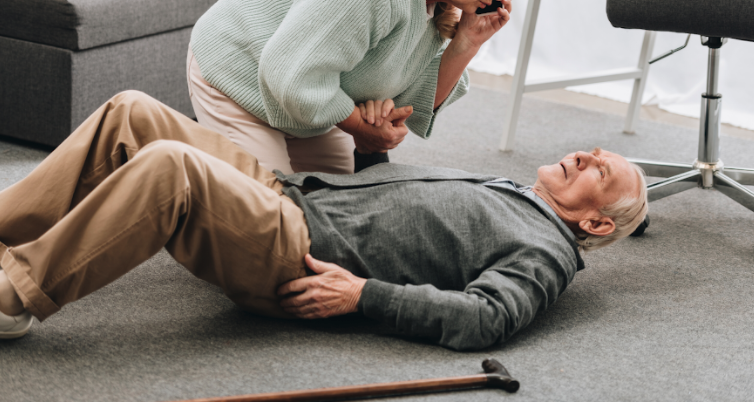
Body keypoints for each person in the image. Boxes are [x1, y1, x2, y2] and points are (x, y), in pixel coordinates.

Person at [0, 92, 647, 351]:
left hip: (298, 248)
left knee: (172, 168)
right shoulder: (515, 191)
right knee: (132, 112)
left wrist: (363, 294)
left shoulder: (547, 253)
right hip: (292, 194)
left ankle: (15, 295)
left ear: (593, 225)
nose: (587, 154)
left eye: (601, 170)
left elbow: (487, 319)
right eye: (594, 151)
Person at [186, 0, 539, 175]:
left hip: (303, 104)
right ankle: (174, 151)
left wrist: (468, 42)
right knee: (273, 229)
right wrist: (358, 126)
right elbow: (289, 75)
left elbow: (411, 103)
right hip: (238, 79)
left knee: (351, 212)